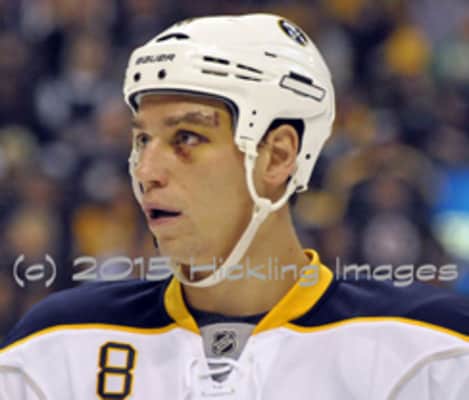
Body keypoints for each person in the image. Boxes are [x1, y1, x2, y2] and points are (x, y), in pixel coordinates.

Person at [1, 13, 469, 400]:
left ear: (278, 156)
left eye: (187, 137)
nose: (146, 170)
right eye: (142, 139)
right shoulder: (54, 350)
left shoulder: (436, 353)